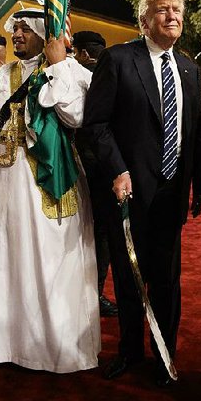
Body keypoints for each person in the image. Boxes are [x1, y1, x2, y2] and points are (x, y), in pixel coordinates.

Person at [0, 8, 100, 372]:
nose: (17, 35)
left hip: (48, 178)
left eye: (26, 29)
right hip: (6, 180)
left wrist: (58, 65)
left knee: (50, 259)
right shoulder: (1, 77)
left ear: (47, 33)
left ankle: (53, 348)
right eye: (16, 30)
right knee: (8, 255)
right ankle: (9, 344)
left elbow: (76, 116)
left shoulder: (72, 71)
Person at [83, 0, 201, 387]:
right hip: (128, 191)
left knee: (167, 279)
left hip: (173, 192)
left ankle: (164, 353)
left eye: (177, 9)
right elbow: (96, 125)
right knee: (128, 275)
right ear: (144, 21)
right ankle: (129, 351)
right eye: (162, 10)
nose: (172, 16)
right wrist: (117, 169)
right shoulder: (118, 60)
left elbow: (198, 130)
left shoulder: (189, 69)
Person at [72, 29, 117, 317]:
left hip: (80, 164)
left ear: (83, 54)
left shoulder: (76, 76)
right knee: (103, 233)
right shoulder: (117, 74)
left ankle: (82, 291)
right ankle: (96, 291)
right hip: (110, 165)